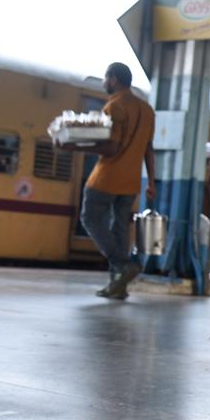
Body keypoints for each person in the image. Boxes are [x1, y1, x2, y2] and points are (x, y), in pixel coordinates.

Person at [64, 62, 156, 300]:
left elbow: (112, 147)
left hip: (106, 178)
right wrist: (151, 182)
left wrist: (75, 145)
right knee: (120, 228)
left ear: (114, 79)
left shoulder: (114, 106)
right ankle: (118, 286)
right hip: (131, 182)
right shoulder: (147, 110)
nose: (105, 83)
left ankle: (122, 264)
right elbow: (148, 148)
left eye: (106, 78)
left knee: (90, 218)